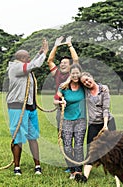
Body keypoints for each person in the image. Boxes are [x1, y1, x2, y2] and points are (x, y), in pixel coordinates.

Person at [6, 39, 49, 175]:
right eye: (27, 57)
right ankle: (17, 167)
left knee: (33, 137)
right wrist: (45, 53)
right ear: (21, 58)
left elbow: (31, 64)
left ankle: (37, 166)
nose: (29, 58)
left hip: (30, 107)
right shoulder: (15, 67)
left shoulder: (25, 67)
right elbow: (33, 65)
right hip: (17, 107)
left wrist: (39, 53)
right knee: (18, 136)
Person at [75, 71, 116, 183]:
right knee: (90, 150)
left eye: (88, 79)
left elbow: (106, 108)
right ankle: (84, 177)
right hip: (93, 123)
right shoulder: (86, 91)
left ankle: (117, 173)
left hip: (108, 121)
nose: (87, 82)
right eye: (84, 82)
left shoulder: (104, 89)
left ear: (91, 77)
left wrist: (105, 125)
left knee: (112, 148)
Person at [47, 36, 79, 173]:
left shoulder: (74, 74)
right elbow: (49, 61)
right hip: (61, 111)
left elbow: (76, 60)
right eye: (61, 63)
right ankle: (70, 165)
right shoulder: (57, 74)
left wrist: (70, 45)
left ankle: (77, 164)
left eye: (65, 62)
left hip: (76, 111)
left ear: (71, 65)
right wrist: (56, 45)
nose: (62, 64)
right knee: (65, 139)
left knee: (76, 138)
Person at [53, 63, 86, 179]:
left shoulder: (84, 86)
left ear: (80, 74)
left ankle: (78, 171)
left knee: (78, 146)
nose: (75, 75)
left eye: (77, 73)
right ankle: (72, 170)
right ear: (70, 75)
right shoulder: (63, 87)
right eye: (73, 73)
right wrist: (61, 102)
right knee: (67, 146)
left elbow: (94, 86)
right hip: (66, 119)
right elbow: (55, 100)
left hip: (81, 119)